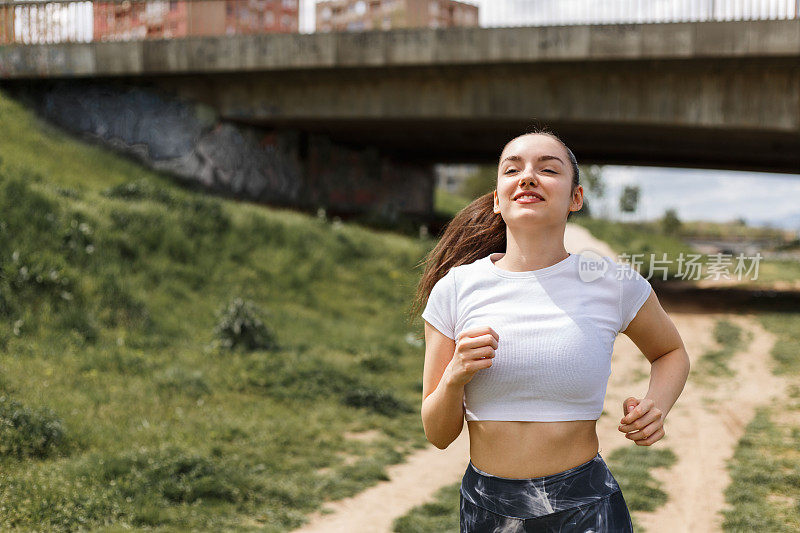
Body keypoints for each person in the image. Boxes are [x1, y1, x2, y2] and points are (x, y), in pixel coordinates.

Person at [412, 126, 691, 532]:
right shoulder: (455, 289)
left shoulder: (611, 282)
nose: (527, 177)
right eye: (512, 169)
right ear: (497, 200)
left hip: (586, 507)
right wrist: (455, 375)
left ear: (575, 198)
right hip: (487, 510)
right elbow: (437, 434)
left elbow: (671, 352)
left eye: (548, 169)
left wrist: (657, 405)